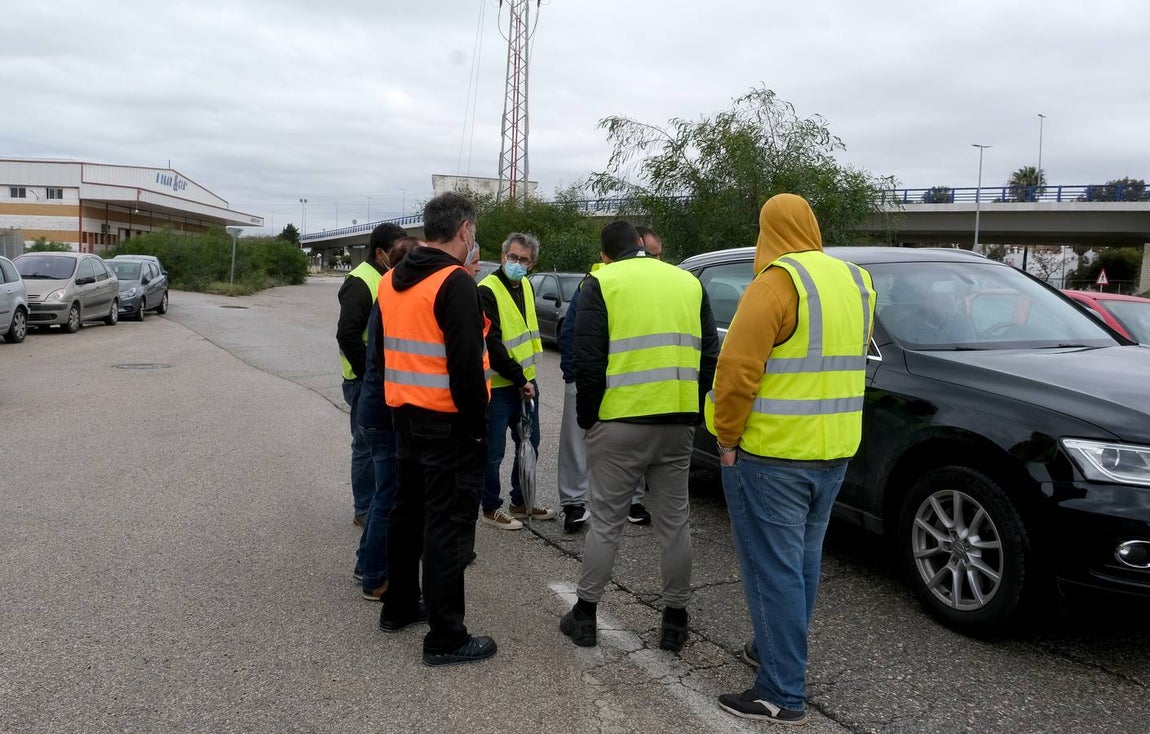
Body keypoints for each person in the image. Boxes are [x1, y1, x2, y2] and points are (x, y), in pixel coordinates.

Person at [708, 194, 875, 724]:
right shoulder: (857, 280)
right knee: (801, 562)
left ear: (768, 230)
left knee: (772, 568)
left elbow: (737, 372)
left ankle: (780, 691)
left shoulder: (775, 284)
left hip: (774, 453)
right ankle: (774, 651)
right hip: (835, 450)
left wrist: (727, 438)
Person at [560, 220, 719, 652]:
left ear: (607, 253)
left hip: (619, 424)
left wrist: (589, 418)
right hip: (677, 422)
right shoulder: (688, 282)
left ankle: (586, 615)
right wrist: (695, 405)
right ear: (642, 246)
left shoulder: (602, 282)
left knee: (607, 523)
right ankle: (674, 621)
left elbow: (587, 357)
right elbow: (709, 354)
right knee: (675, 522)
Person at [377, 192, 497, 667]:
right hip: (449, 426)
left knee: (406, 519)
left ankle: (400, 606)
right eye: (475, 233)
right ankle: (446, 637)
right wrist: (477, 431)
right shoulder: (455, 283)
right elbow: (466, 369)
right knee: (447, 530)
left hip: (404, 417)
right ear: (465, 230)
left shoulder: (390, 281)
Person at [555, 225, 666, 533]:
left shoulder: (656, 284)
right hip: (589, 375)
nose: (654, 261)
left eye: (657, 255)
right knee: (579, 441)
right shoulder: (595, 282)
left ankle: (632, 501)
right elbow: (571, 332)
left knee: (632, 444)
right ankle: (575, 505)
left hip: (628, 377)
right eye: (650, 254)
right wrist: (572, 377)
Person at [355, 237, 421, 601]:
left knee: (385, 493)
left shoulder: (387, 296)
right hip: (383, 413)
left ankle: (365, 563)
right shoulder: (395, 300)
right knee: (388, 496)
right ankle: (375, 578)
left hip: (374, 409)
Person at [477, 232, 556, 530]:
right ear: (502, 256)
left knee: (529, 444)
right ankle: (490, 507)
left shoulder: (525, 285)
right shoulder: (487, 290)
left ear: (532, 263)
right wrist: (521, 378)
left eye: (523, 259)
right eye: (513, 257)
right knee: (493, 451)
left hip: (524, 383)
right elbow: (493, 345)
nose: (517, 263)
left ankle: (522, 500)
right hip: (499, 386)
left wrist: (526, 379)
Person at [338, 223, 409, 528]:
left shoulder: (386, 278)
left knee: (380, 448)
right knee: (365, 446)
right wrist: (368, 373)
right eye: (396, 251)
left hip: (381, 380)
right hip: (362, 381)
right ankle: (364, 508)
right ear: (381, 252)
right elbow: (348, 334)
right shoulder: (362, 281)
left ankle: (377, 504)